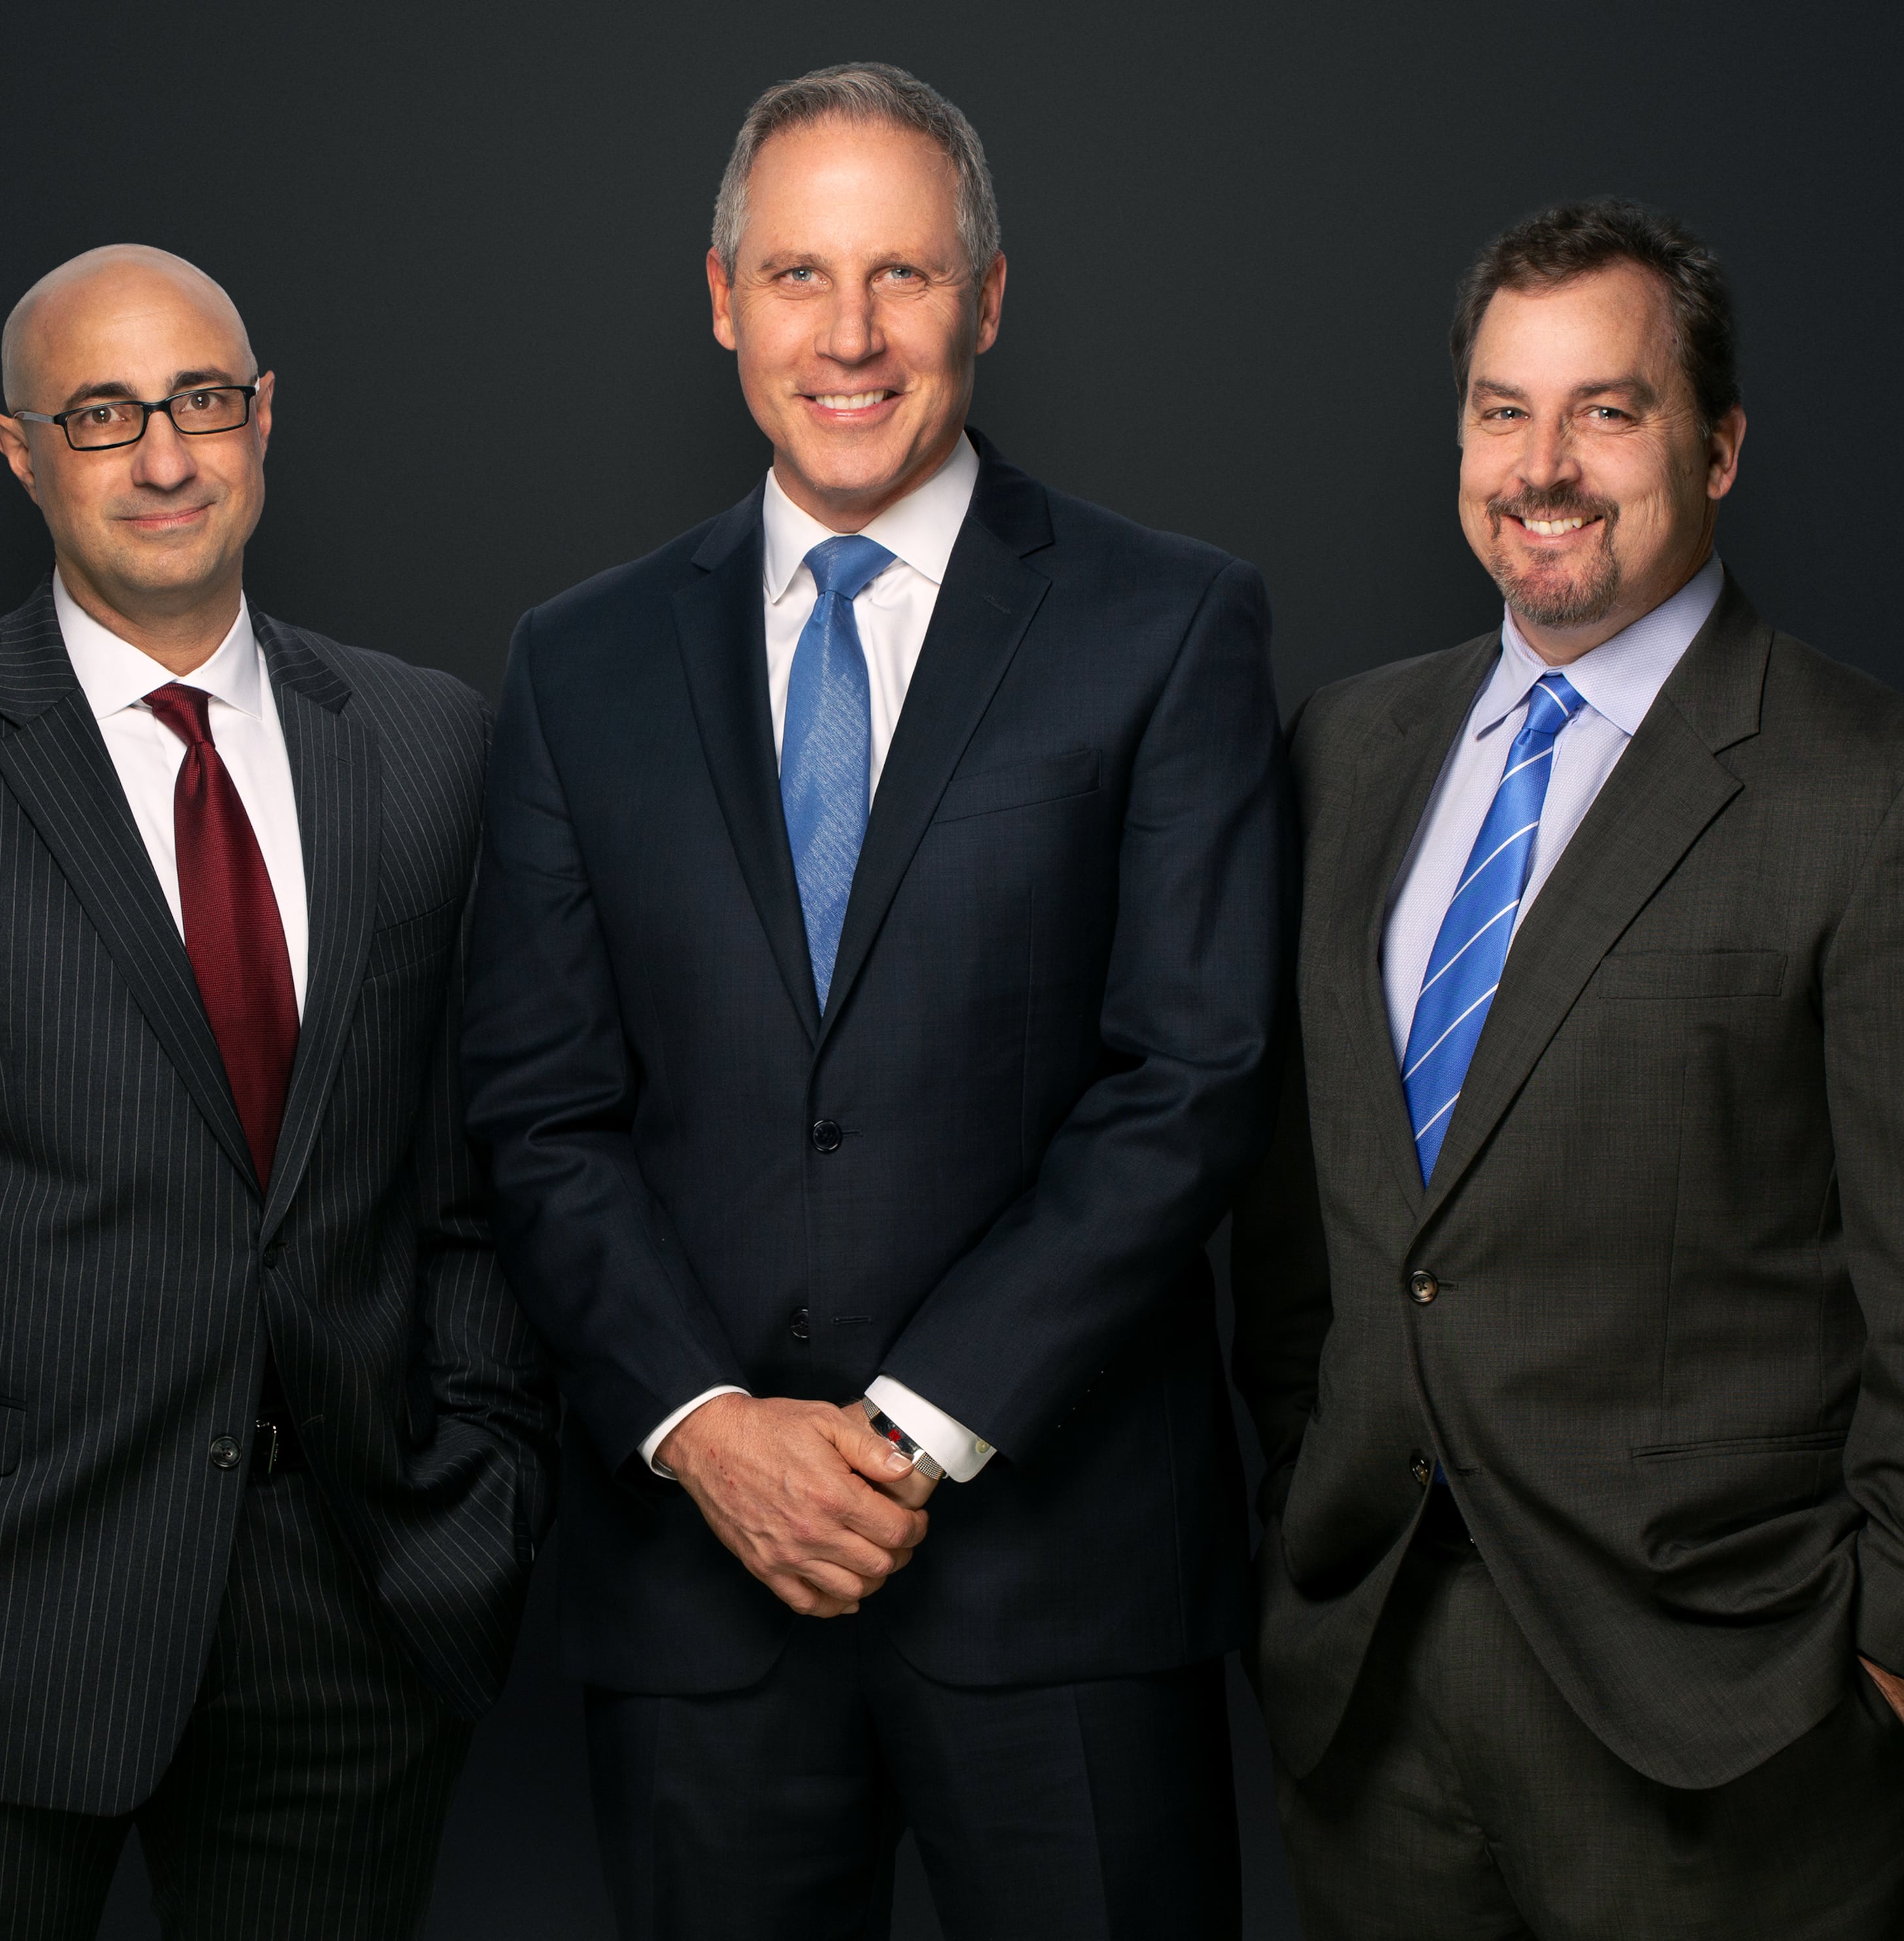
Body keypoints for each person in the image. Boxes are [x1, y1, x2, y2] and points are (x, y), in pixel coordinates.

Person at [463, 61, 1286, 1940]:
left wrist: (910, 1430)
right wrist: (707, 1429)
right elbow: (536, 1105)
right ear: (723, 297)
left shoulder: (1165, 624)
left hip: (1061, 1585)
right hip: (700, 1591)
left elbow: (1194, 1075)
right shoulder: (579, 663)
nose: (851, 335)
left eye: (904, 277)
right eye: (802, 275)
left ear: (986, 302)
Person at [1231, 198, 1904, 1939]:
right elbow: (1302, 1228)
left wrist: (1895, 1668)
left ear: (1718, 448)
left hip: (1732, 1724)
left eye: (1607, 409)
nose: (1543, 464)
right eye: (1502, 409)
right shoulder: (1345, 751)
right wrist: (1297, 1532)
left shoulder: (1893, 798)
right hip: (1376, 1692)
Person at [0, 244, 556, 1938]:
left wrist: (487, 1491)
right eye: (102, 416)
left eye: (201, 403)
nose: (165, 458)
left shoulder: (432, 746)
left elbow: (474, 1173)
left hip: (357, 1625)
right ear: (20, 451)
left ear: (262, 421)